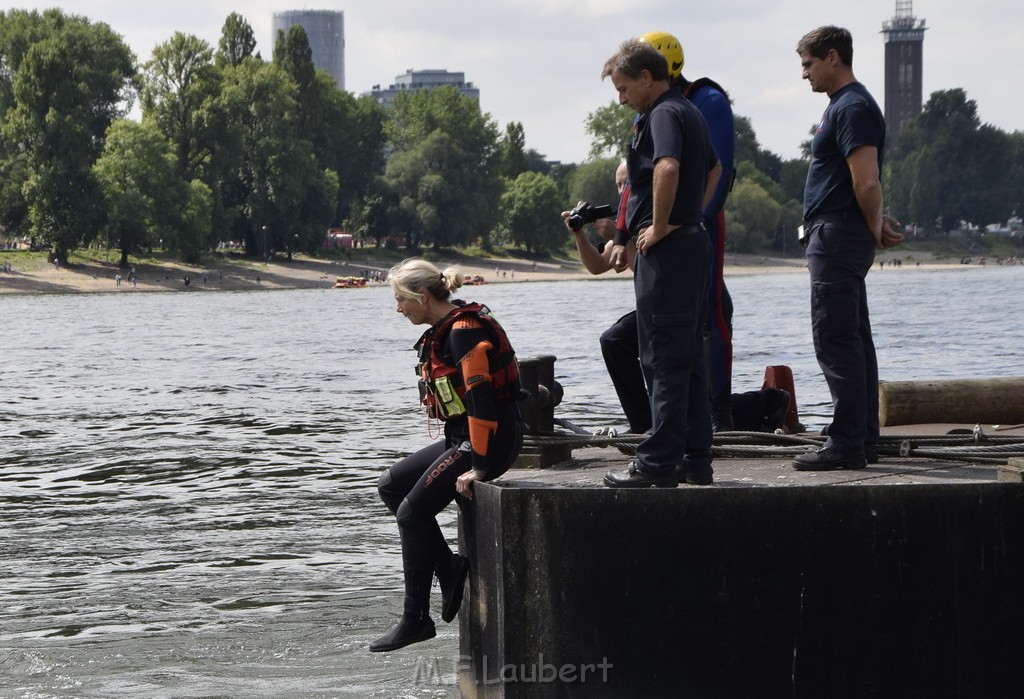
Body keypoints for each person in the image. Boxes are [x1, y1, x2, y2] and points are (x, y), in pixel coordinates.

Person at [371, 258, 524, 652]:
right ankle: (447, 565)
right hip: (461, 436)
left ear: (422, 297)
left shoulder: (463, 331)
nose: (398, 308)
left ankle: (415, 619)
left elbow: (480, 400)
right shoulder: (446, 327)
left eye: (400, 300)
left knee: (411, 512)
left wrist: (479, 467)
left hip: (487, 439)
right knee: (392, 486)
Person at [599, 39, 721, 488]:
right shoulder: (691, 111)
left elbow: (667, 168)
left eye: (625, 87)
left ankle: (657, 463)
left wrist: (663, 224)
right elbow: (713, 169)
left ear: (648, 77)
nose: (621, 98)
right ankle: (695, 457)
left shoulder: (664, 114)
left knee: (662, 358)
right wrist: (692, 218)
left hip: (669, 253)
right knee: (686, 358)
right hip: (692, 246)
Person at [792, 26, 902, 471]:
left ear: (832, 57)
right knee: (854, 337)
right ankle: (861, 435)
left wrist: (873, 223)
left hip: (837, 235)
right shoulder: (844, 107)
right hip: (840, 231)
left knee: (835, 337)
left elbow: (866, 179)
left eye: (808, 64)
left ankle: (846, 442)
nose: (804, 74)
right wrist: (873, 221)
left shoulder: (852, 106)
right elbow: (860, 182)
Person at [640, 31, 737, 432]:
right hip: (663, 232)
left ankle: (719, 409)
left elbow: (721, 169)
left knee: (712, 311)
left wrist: (692, 220)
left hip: (696, 227)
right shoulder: (650, 109)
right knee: (676, 323)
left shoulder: (707, 101)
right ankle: (680, 420)